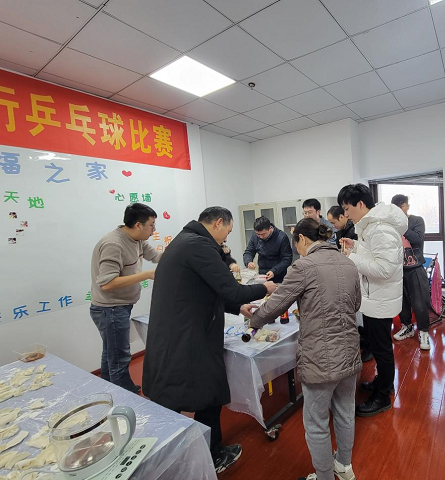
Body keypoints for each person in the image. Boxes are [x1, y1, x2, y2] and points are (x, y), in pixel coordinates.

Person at [142, 207, 277, 472]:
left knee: (175, 396)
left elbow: (204, 290)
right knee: (208, 393)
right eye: (227, 231)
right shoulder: (199, 246)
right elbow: (231, 289)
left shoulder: (184, 241)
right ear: (218, 223)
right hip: (190, 335)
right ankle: (211, 456)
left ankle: (178, 458)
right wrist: (265, 288)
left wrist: (237, 308)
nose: (226, 237)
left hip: (176, 331)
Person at [247, 218, 361, 480]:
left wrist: (253, 321)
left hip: (320, 356)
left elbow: (276, 304)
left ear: (302, 239)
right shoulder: (348, 263)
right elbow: (355, 304)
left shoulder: (304, 266)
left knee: (316, 423)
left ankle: (324, 476)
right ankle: (344, 467)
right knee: (345, 412)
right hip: (348, 351)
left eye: (295, 243)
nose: (296, 249)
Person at [338, 184, 408, 417]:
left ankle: (383, 395)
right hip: (376, 297)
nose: (346, 214)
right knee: (379, 347)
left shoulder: (380, 229)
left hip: (380, 299)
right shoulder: (372, 226)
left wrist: (351, 257)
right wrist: (356, 246)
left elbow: (384, 269)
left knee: (382, 348)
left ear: (360, 204)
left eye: (347, 208)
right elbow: (374, 253)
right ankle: (382, 383)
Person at [90, 203, 160, 394]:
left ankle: (108, 389)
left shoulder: (138, 239)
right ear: (138, 225)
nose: (154, 230)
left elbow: (156, 256)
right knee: (119, 357)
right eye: (152, 225)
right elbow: (107, 283)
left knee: (111, 353)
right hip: (109, 309)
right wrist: (146, 275)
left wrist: (182, 252)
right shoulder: (114, 244)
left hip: (120, 306)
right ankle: (125, 397)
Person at [328, 205, 373, 363]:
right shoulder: (341, 231)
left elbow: (361, 257)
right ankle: (361, 343)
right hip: (349, 274)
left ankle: (368, 347)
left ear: (342, 217)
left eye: (333, 222)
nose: (332, 226)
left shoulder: (355, 231)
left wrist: (349, 254)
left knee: (363, 316)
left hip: (359, 276)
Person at [390, 194, 433, 350]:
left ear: (407, 206)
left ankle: (424, 332)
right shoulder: (390, 224)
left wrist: (401, 225)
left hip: (415, 268)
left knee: (420, 302)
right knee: (402, 302)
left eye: (402, 206)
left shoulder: (416, 220)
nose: (400, 209)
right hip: (397, 269)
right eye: (397, 207)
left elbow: (417, 239)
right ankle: (407, 327)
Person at [243, 216, 293, 283]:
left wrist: (274, 271)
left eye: (263, 234)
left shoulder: (281, 237)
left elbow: (287, 259)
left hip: (278, 275)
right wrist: (248, 262)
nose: (260, 237)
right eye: (258, 234)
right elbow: (249, 251)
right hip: (262, 274)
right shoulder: (255, 236)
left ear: (270, 228)